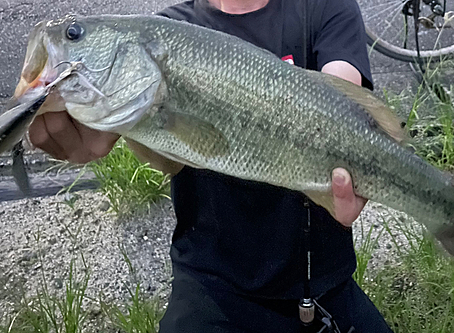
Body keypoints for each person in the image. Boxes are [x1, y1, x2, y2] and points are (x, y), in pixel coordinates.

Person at [28, 0, 393, 332]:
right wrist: (99, 126)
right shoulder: (170, 29)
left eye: (75, 35)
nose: (65, 39)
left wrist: (345, 155)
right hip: (211, 287)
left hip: (324, 285)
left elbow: (345, 92)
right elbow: (163, 155)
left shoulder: (324, 7)